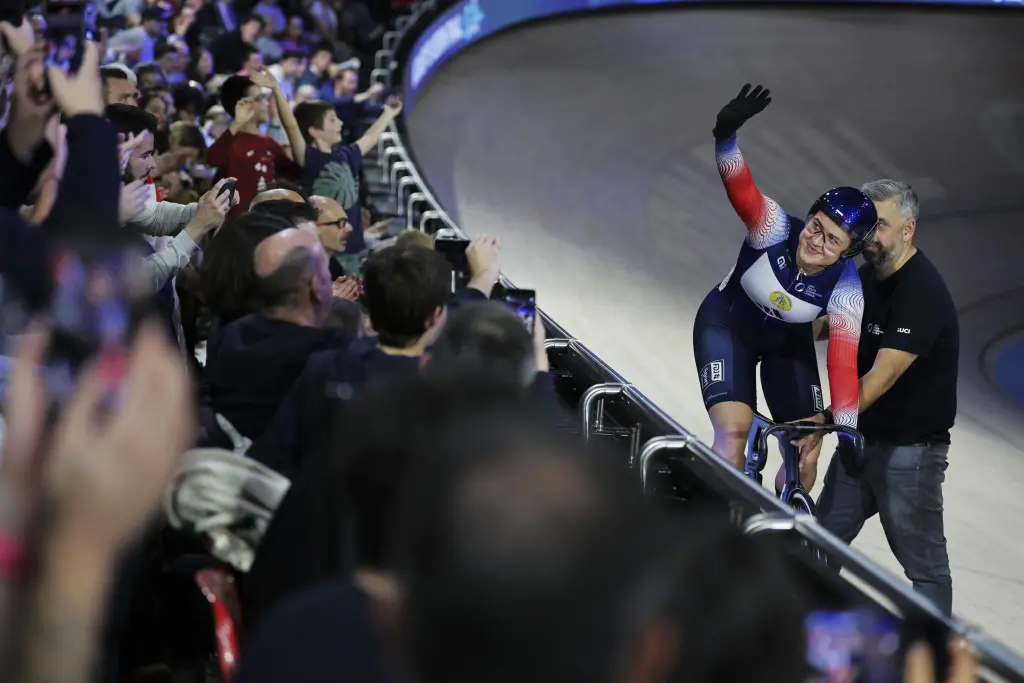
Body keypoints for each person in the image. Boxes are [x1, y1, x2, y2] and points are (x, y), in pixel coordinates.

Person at [693, 84, 877, 491]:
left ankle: (784, 529)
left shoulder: (847, 291)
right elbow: (740, 188)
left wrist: (845, 430)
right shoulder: (773, 227)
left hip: (786, 348)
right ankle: (711, 521)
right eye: (816, 226)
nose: (816, 241)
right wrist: (725, 136)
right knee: (735, 433)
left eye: (833, 241)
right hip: (727, 326)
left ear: (849, 254)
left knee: (805, 450)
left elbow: (842, 365)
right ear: (808, 216)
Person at [803, 179, 958, 616]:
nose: (869, 237)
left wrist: (825, 420)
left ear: (908, 230)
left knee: (924, 568)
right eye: (867, 226)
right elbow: (821, 326)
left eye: (882, 227)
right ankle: (799, 633)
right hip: (862, 440)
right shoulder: (866, 275)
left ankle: (933, 655)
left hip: (909, 455)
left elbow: (882, 375)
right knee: (820, 540)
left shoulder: (921, 291)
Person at [293, 97, 403, 275]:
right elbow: (291, 127)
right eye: (332, 119)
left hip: (356, 252)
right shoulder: (310, 159)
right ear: (313, 130)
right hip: (331, 256)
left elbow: (370, 137)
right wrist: (275, 88)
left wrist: (388, 114)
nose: (340, 122)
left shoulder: (346, 154)